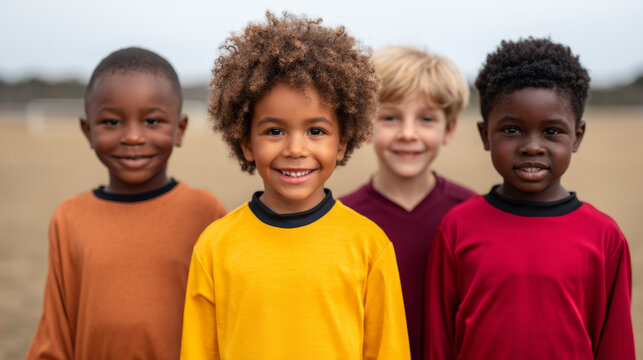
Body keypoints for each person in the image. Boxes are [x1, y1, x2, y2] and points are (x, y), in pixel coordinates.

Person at [180, 12, 410, 360]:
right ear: (245, 142)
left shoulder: (370, 246)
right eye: (274, 131)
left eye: (316, 131)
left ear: (342, 143)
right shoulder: (214, 246)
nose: (295, 149)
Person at [424, 37, 635, 359]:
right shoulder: (457, 227)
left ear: (577, 136)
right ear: (485, 135)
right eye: (511, 130)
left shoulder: (604, 236)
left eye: (552, 131)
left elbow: (615, 344)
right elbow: (438, 342)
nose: (532, 146)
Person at [27, 47, 227, 359]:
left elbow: (228, 322)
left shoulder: (206, 212)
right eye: (111, 122)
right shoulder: (69, 218)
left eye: (151, 121)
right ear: (87, 130)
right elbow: (55, 331)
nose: (132, 137)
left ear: (180, 129)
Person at [339, 46, 475, 359]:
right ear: (366, 127)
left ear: (449, 128)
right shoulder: (340, 221)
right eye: (390, 117)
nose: (408, 133)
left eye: (426, 119)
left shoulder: (472, 216)